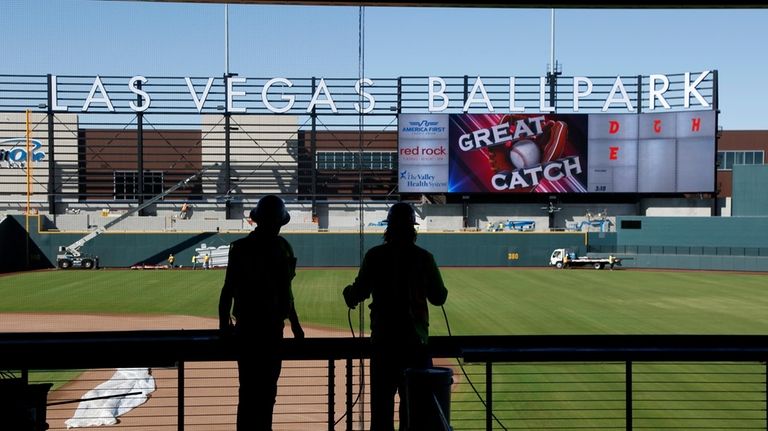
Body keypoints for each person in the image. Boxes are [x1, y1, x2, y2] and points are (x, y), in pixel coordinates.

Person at [342, 202, 448, 431]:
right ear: (413, 229)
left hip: (384, 343)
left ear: (388, 228)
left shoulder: (375, 256)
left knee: (381, 411)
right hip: (415, 344)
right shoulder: (424, 258)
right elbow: (439, 297)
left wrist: (347, 293)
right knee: (413, 411)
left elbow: (356, 295)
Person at [218, 194, 304, 431]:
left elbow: (228, 290)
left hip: (245, 330)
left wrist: (224, 326)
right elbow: (286, 291)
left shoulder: (240, 248)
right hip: (271, 332)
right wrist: (295, 326)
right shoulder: (283, 247)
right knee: (267, 393)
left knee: (247, 391)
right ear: (278, 222)